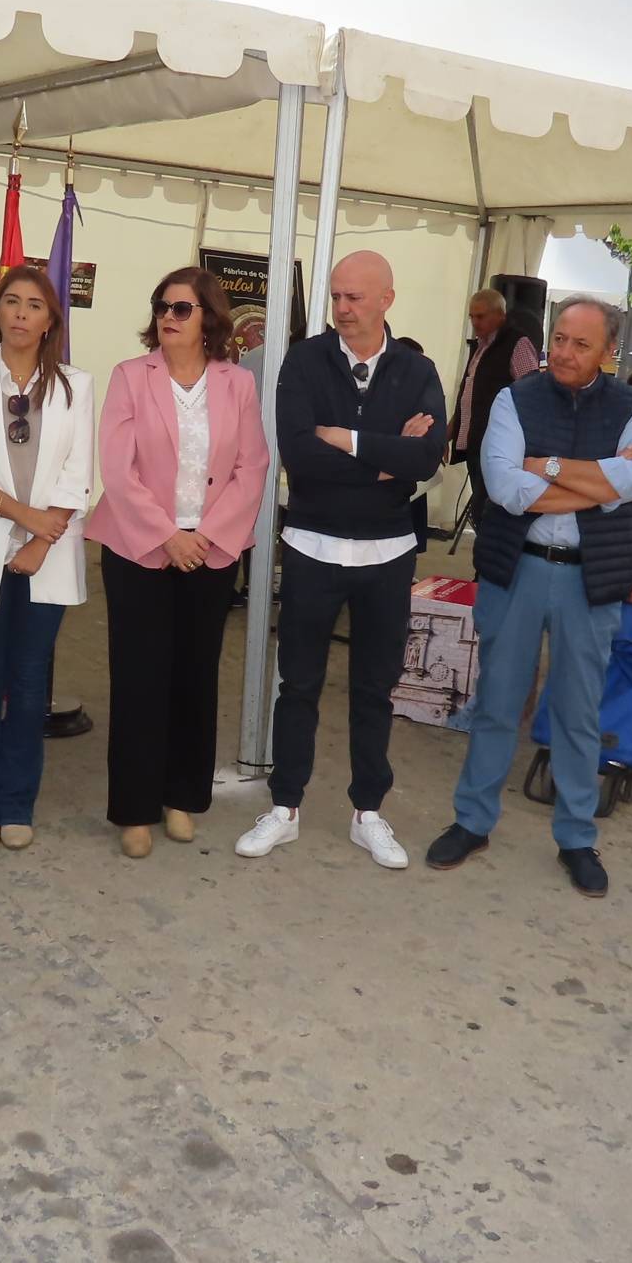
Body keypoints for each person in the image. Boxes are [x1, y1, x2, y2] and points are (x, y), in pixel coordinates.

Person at [429, 298, 632, 897]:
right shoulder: (514, 399)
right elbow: (506, 489)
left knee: (580, 711)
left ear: (610, 352)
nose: (562, 352)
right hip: (519, 571)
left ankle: (577, 837)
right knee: (498, 702)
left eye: (580, 344)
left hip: (592, 578)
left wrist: (550, 465)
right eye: (558, 338)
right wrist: (598, 481)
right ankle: (472, 821)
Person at [235, 250, 445, 869]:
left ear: (387, 298)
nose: (343, 309)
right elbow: (298, 454)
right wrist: (383, 459)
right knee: (297, 683)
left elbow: (427, 458)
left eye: (355, 297)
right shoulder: (303, 360)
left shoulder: (416, 368)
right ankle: (284, 808)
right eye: (336, 297)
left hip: (387, 554)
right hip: (312, 546)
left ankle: (368, 813)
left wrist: (346, 440)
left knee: (374, 687)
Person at [88, 267, 270, 859]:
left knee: (195, 677)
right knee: (140, 679)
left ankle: (180, 799)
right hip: (140, 550)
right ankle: (135, 809)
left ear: (208, 319)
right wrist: (168, 535)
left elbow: (253, 467)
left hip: (210, 553)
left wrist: (207, 535)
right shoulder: (128, 377)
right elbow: (117, 470)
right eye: (162, 306)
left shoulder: (237, 384)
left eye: (182, 308)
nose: (168, 316)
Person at [0, 266, 95, 850]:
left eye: (35, 304)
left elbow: (79, 474)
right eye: (12, 302)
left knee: (30, 683)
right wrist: (23, 518)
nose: (23, 313)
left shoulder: (77, 385)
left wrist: (38, 541)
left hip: (48, 554)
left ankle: (17, 799)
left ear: (50, 319)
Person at [447, 287, 539, 512]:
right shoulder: (480, 348)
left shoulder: (517, 344)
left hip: (498, 445)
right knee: (481, 507)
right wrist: (450, 432)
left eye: (480, 316)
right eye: (471, 317)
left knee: (489, 507)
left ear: (500, 315)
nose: (475, 322)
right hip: (475, 443)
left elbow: (532, 393)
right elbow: (468, 397)